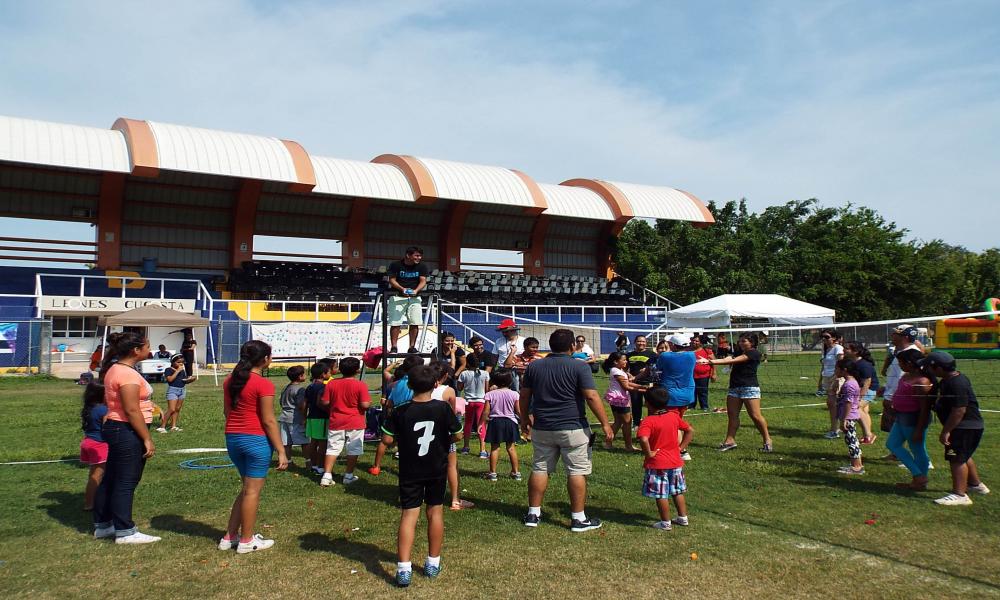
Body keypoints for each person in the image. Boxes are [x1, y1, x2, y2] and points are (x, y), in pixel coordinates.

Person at [519, 328, 613, 532]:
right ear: (572, 346)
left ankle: (533, 514)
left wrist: (524, 418)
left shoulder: (534, 366)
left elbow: (524, 395)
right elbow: (591, 396)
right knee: (577, 471)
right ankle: (578, 519)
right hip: (573, 426)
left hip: (543, 426)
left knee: (540, 468)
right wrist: (605, 423)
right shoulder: (579, 367)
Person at [381, 364, 463, 587]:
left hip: (410, 469)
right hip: (436, 467)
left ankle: (404, 568)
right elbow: (458, 435)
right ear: (436, 383)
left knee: (409, 516)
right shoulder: (442, 408)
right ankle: (432, 562)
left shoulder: (400, 410)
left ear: (408, 384)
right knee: (435, 512)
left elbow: (387, 440)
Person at [90, 331, 159, 544]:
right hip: (125, 429)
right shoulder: (127, 374)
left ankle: (103, 524)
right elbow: (131, 409)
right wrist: (146, 438)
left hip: (116, 427)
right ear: (136, 350)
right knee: (126, 480)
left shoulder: (115, 369)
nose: (150, 350)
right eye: (147, 346)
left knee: (111, 477)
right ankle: (125, 530)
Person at [220, 340, 288, 553]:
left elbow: (227, 412)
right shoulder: (263, 384)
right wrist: (281, 450)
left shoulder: (231, 380)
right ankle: (246, 541)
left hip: (233, 438)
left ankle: (229, 536)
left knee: (246, 489)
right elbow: (268, 420)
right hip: (255, 440)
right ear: (265, 359)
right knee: (252, 492)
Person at [921, 351, 990, 506]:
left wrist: (946, 431)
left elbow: (959, 410)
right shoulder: (948, 380)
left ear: (938, 368)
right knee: (963, 455)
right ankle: (976, 485)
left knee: (956, 459)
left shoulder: (957, 383)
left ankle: (960, 494)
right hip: (966, 426)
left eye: (929, 367)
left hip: (964, 427)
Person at [701, 333, 773, 453]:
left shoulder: (754, 353)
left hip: (749, 388)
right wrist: (712, 360)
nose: (740, 343)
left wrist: (711, 362)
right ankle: (730, 441)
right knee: (732, 415)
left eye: (744, 341)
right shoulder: (738, 353)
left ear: (752, 342)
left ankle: (767, 440)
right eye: (740, 341)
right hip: (734, 387)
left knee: (755, 416)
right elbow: (728, 359)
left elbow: (737, 360)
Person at [637, 387, 692, 530]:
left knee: (661, 494)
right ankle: (682, 517)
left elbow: (643, 439)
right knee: (677, 491)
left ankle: (665, 523)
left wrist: (649, 453)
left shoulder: (648, 421)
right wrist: (681, 447)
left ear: (647, 403)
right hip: (675, 461)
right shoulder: (674, 416)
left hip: (658, 464)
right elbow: (689, 430)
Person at [885, 349, 933, 490]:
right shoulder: (906, 376)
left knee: (917, 449)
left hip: (913, 418)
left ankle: (919, 479)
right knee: (892, 444)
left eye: (901, 362)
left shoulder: (922, 382)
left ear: (911, 363)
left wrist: (919, 428)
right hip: (901, 415)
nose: (899, 365)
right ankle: (918, 476)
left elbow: (925, 408)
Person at [369, 355, 424, 476]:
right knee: (410, 443)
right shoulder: (417, 383)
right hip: (410, 414)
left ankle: (376, 466)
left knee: (384, 441)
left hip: (395, 414)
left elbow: (390, 402)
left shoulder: (396, 383)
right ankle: (410, 468)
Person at [320, 357, 371, 486]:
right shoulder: (360, 385)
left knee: (332, 448)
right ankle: (348, 475)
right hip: (355, 421)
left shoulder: (332, 384)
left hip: (336, 420)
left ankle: (326, 475)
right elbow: (365, 405)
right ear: (357, 370)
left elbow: (325, 401)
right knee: (353, 448)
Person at [430, 363, 474, 511]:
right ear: (445, 376)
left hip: (426, 431)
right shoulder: (448, 390)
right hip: (444, 431)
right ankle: (455, 500)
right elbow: (452, 411)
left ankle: (428, 494)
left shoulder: (422, 389)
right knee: (452, 465)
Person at [479, 368, 521, 481]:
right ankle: (516, 472)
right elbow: (518, 410)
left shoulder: (490, 394)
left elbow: (486, 411)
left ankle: (492, 473)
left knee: (494, 448)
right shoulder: (515, 394)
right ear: (510, 381)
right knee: (511, 448)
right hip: (510, 422)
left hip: (495, 422)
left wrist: (481, 423)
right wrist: (523, 421)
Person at [602, 352, 649, 451]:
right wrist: (643, 389)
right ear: (615, 361)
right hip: (620, 399)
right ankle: (628, 446)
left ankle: (608, 443)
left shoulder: (618, 370)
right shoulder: (617, 371)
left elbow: (628, 383)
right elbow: (626, 386)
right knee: (627, 422)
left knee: (618, 422)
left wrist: (642, 386)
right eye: (623, 360)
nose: (626, 361)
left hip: (616, 398)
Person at [387, 246, 428, 354]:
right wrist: (402, 289)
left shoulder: (422, 266)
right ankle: (394, 347)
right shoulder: (396, 265)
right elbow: (391, 280)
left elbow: (423, 281)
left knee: (415, 322)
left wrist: (416, 290)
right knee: (395, 323)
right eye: (416, 255)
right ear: (408, 255)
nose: (419, 258)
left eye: (420, 256)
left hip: (415, 298)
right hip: (397, 296)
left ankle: (412, 347)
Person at [834, 359, 865, 475]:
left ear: (844, 370)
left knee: (851, 440)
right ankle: (856, 463)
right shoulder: (849, 383)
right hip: (850, 415)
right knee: (851, 439)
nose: (835, 371)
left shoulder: (849, 384)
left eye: (837, 368)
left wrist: (844, 419)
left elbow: (848, 403)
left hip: (849, 416)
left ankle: (857, 466)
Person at [844, 341, 879, 444]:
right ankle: (867, 435)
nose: (844, 350)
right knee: (863, 411)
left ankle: (869, 435)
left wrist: (859, 397)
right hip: (860, 390)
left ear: (855, 351)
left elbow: (867, 382)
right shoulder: (852, 363)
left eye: (846, 348)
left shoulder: (864, 365)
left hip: (869, 390)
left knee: (856, 408)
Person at [80, 388, 108, 511]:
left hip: (88, 441)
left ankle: (89, 501)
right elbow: (107, 427)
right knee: (98, 476)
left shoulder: (89, 408)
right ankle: (90, 504)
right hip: (99, 444)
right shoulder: (103, 410)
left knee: (93, 475)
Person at [655, 333, 697, 417]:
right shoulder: (691, 355)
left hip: (670, 394)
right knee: (679, 418)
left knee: (671, 420)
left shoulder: (665, 356)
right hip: (687, 393)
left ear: (673, 345)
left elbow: (658, 367)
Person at [458, 354, 489, 457]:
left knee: (468, 423)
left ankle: (466, 447)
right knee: (481, 424)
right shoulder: (485, 373)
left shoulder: (464, 374)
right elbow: (486, 389)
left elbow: (459, 388)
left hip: (469, 401)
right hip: (481, 401)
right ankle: (482, 450)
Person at [277, 366, 309, 467]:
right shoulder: (300, 389)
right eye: (304, 373)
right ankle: (309, 461)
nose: (306, 375)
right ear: (300, 376)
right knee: (304, 441)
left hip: (284, 417)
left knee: (286, 442)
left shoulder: (286, 388)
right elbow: (301, 405)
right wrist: (304, 417)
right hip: (295, 418)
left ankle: (288, 461)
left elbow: (281, 402)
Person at [304, 362, 332, 474]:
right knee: (323, 444)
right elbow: (320, 402)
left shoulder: (309, 387)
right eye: (329, 372)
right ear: (323, 374)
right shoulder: (324, 387)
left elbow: (304, 403)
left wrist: (304, 416)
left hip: (311, 417)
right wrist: (330, 412)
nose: (330, 373)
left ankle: (314, 465)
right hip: (322, 418)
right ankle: (321, 467)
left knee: (313, 442)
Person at [158, 354, 195, 433]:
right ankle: (162, 426)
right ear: (173, 362)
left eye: (182, 362)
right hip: (173, 391)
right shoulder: (168, 369)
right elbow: (170, 380)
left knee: (177, 409)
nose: (181, 364)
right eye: (178, 362)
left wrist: (189, 380)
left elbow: (183, 380)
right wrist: (177, 371)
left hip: (182, 390)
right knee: (171, 409)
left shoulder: (182, 370)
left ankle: (173, 426)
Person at [626, 335, 657, 427]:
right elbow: (624, 367)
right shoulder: (629, 355)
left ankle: (651, 423)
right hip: (634, 383)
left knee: (650, 403)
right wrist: (628, 374)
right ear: (635, 342)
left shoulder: (652, 354)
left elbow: (655, 367)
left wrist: (647, 370)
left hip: (648, 383)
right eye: (639, 341)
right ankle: (636, 423)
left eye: (643, 341)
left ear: (646, 343)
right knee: (636, 404)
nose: (641, 343)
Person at [819, 330, 844, 437]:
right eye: (822, 337)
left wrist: (836, 378)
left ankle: (835, 430)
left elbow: (841, 364)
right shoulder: (825, 349)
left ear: (834, 338)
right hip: (827, 378)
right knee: (833, 404)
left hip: (836, 378)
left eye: (826, 337)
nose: (824, 339)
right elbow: (823, 366)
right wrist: (820, 381)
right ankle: (840, 427)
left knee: (832, 403)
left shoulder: (838, 348)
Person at [494, 319, 526, 390]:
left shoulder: (523, 341)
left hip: (519, 371)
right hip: (502, 371)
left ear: (513, 330)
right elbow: (494, 357)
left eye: (506, 331)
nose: (504, 333)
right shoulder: (498, 341)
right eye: (503, 331)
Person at [689, 335, 716, 412]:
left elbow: (713, 362)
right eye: (693, 340)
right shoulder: (689, 351)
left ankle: (704, 406)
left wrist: (714, 373)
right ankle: (691, 406)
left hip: (703, 375)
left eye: (697, 341)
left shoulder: (707, 351)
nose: (694, 342)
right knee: (692, 391)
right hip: (691, 375)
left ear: (700, 343)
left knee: (703, 392)